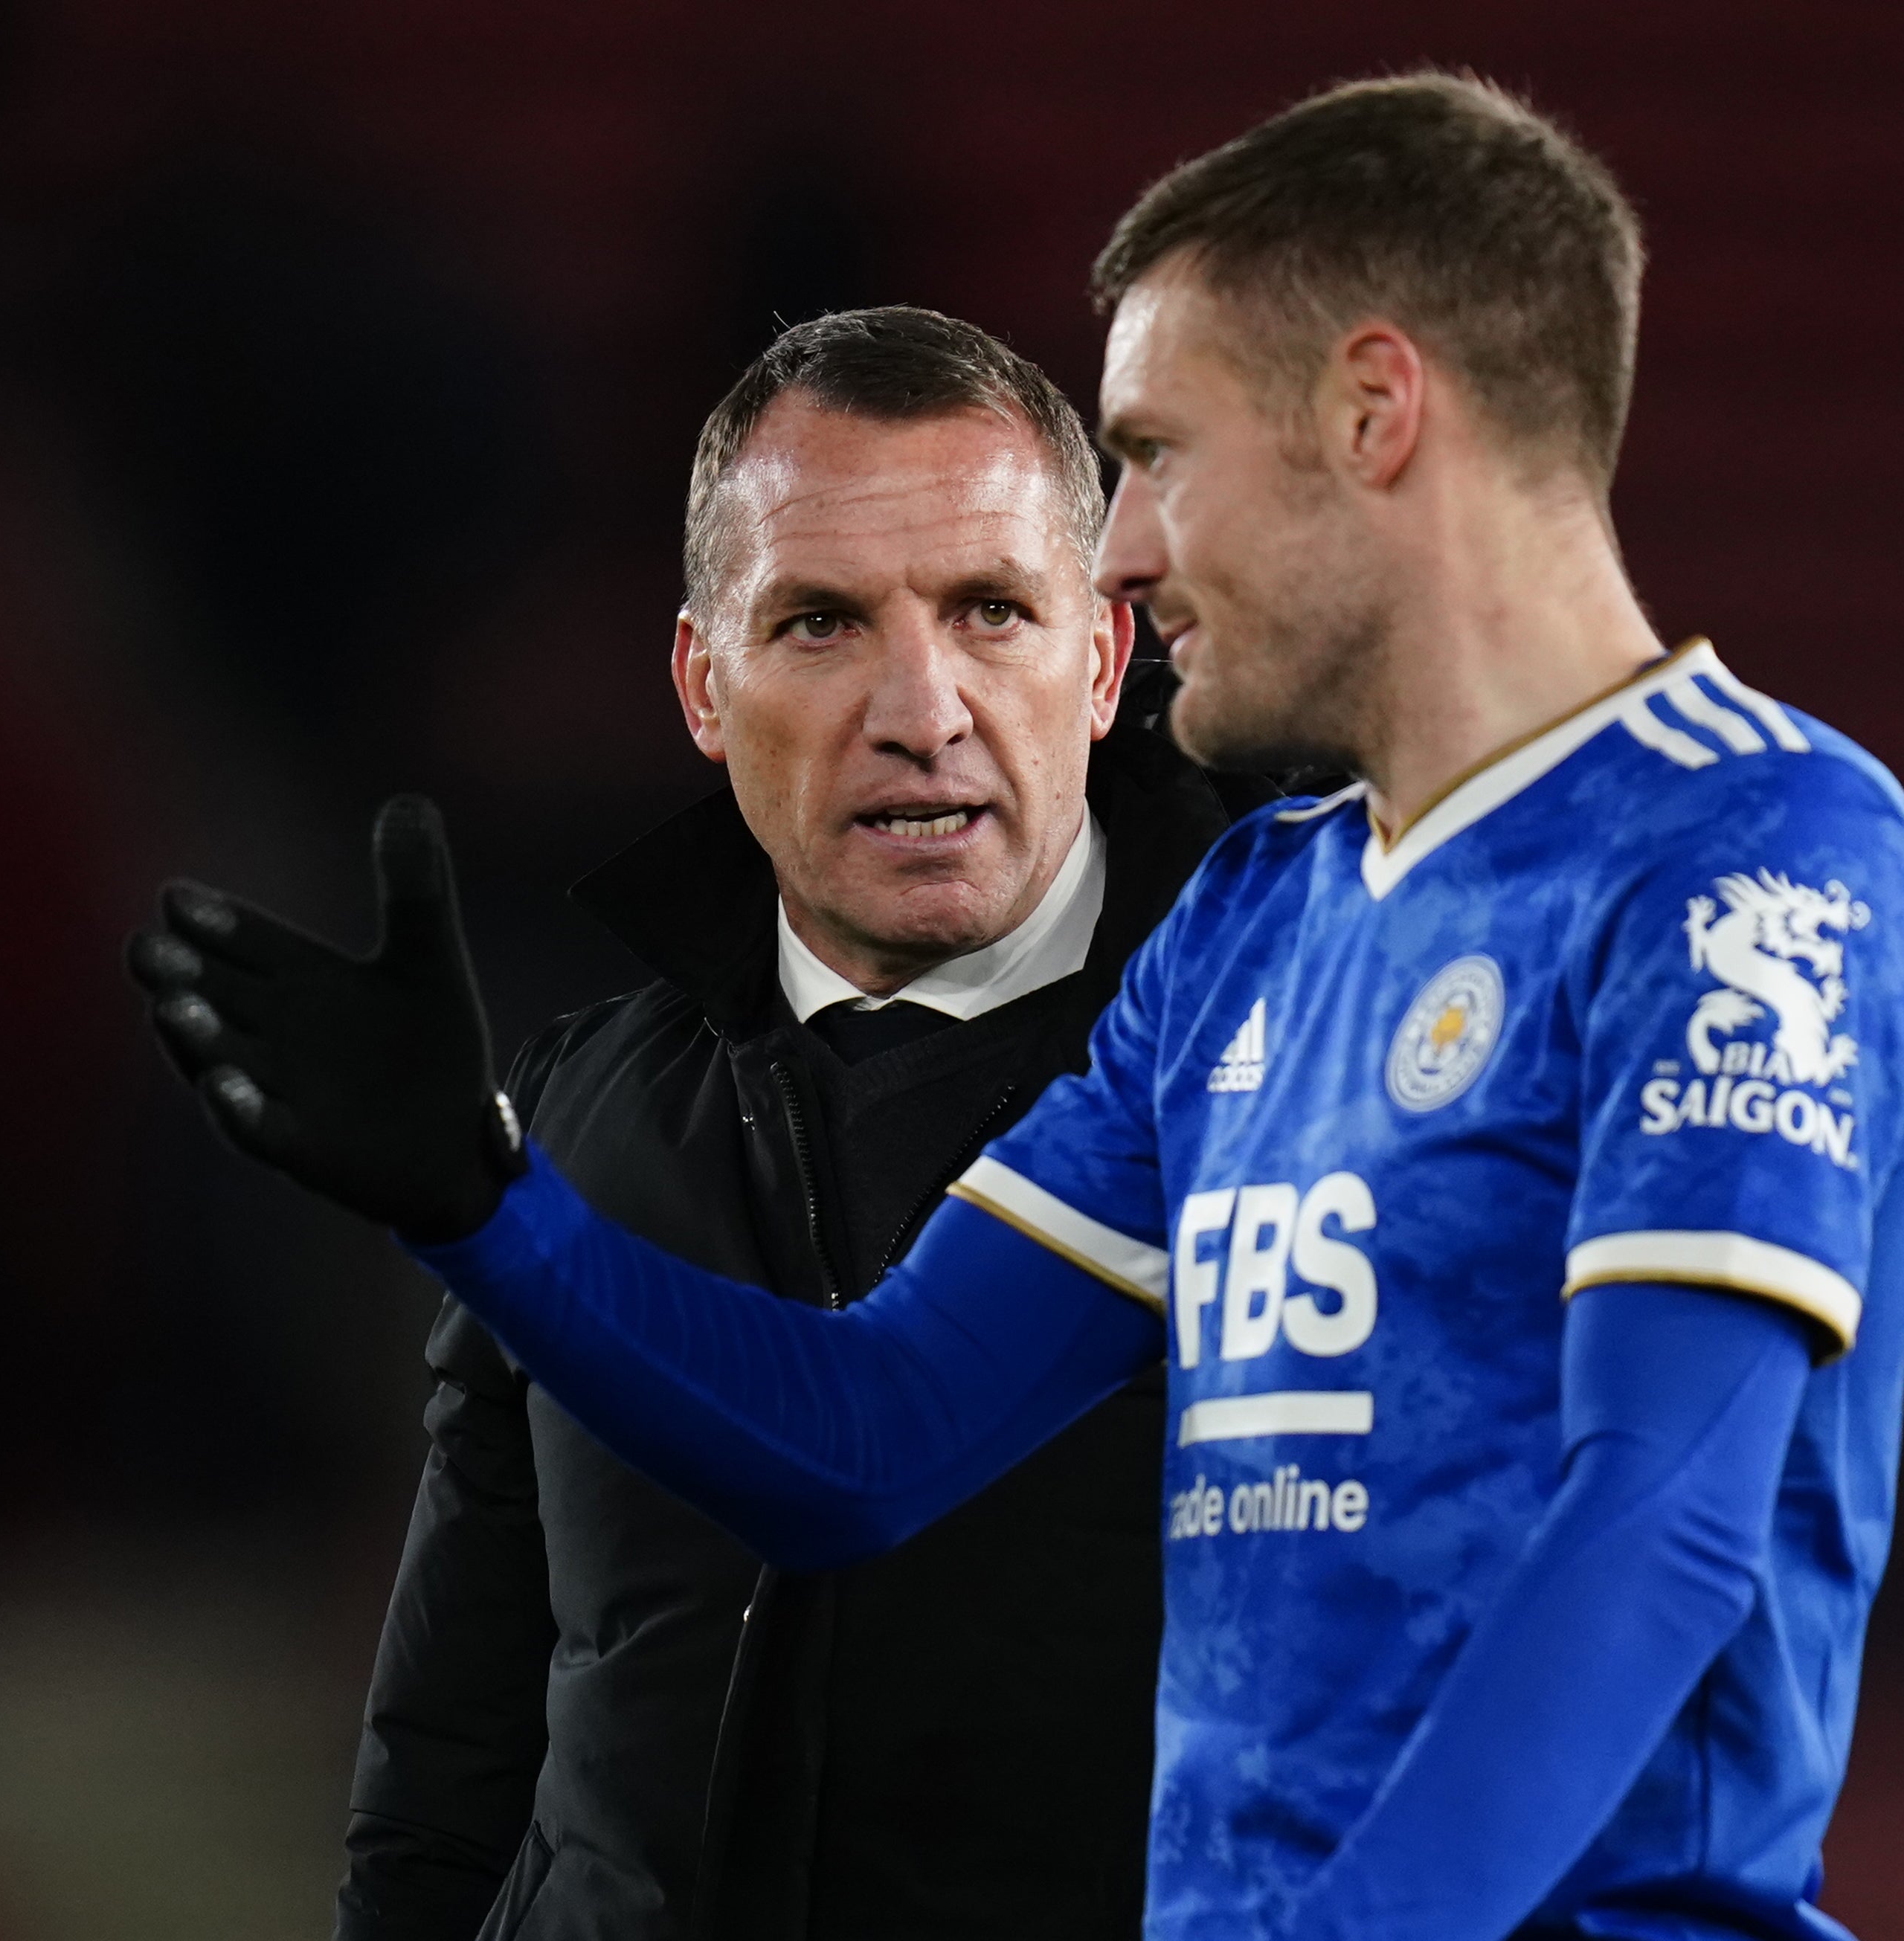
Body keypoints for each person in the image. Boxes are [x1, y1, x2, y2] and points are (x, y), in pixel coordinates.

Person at [132, 75, 1904, 1941]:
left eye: (1161, 450)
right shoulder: (1259, 920)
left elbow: (1658, 1525)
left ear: (1376, 416)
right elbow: (872, 1436)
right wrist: (485, 1207)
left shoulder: (1750, 851)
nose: (1128, 548)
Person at [156, 308, 1253, 1940]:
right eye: (819, 625)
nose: (922, 706)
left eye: (991, 614)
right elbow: (452, 1758)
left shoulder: (1284, 1085)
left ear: (1102, 663)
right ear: (701, 685)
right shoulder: (571, 1118)